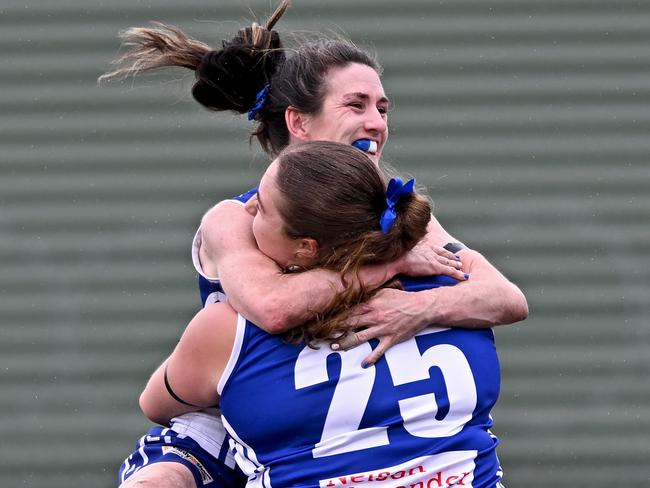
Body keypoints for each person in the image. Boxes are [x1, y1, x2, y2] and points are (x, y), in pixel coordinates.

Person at [102, 1, 527, 487]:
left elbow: (505, 298)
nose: (377, 122)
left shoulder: (391, 209)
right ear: (299, 123)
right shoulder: (240, 218)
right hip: (251, 401)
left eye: (382, 108)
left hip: (359, 388)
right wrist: (388, 265)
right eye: (356, 105)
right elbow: (272, 307)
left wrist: (421, 307)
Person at [139, 140, 505, 487]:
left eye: (262, 207)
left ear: (304, 248)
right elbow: (511, 301)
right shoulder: (459, 286)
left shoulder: (229, 329)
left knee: (160, 465)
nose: (248, 209)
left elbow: (156, 403)